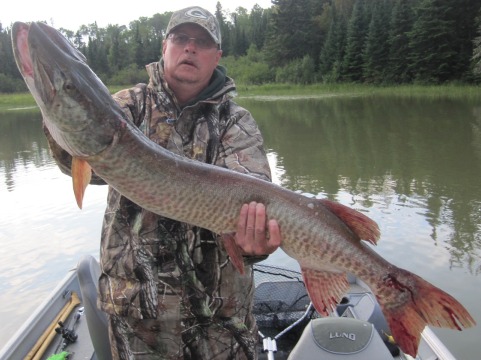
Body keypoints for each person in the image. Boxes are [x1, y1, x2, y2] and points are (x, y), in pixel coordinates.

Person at [45, 6, 281, 360]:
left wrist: (255, 244)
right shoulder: (127, 107)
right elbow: (77, 161)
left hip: (221, 324)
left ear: (216, 56)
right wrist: (54, 109)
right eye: (181, 38)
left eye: (202, 42)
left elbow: (255, 210)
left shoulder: (236, 123)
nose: (190, 48)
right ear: (164, 46)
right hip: (138, 321)